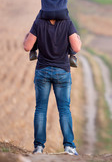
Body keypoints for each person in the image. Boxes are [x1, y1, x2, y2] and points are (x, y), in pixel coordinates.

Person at [23, 18, 81, 155]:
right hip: (62, 72)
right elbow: (77, 47)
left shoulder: (39, 21)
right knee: (64, 109)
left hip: (42, 70)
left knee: (41, 109)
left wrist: (27, 36)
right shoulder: (67, 21)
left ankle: (38, 147)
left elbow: (27, 47)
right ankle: (69, 147)